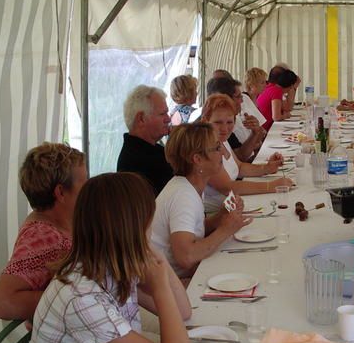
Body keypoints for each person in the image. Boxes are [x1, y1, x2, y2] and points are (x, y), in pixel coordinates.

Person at [23, 172, 194, 343]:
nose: (151, 231)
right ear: (131, 230)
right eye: (148, 224)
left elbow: (183, 312)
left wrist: (156, 257)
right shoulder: (82, 298)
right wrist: (160, 286)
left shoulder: (107, 263)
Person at [0, 143, 87, 321]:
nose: (89, 188)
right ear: (61, 192)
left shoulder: (60, 222)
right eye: (85, 182)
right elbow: (1, 303)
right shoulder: (43, 235)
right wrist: (70, 301)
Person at [150, 123, 251, 277]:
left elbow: (191, 230)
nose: (223, 153)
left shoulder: (188, 185)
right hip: (175, 283)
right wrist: (226, 229)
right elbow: (186, 257)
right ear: (198, 159)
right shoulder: (183, 196)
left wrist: (220, 217)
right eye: (217, 148)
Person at [201, 94, 293, 212]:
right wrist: (270, 186)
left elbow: (239, 167)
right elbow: (227, 187)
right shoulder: (204, 147)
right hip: (217, 214)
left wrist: (267, 168)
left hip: (233, 206)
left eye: (229, 122)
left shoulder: (220, 140)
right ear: (205, 121)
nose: (224, 128)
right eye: (218, 122)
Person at [117, 85, 173, 196]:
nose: (168, 119)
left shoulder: (150, 150)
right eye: (162, 114)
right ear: (141, 119)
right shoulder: (137, 162)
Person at [207, 76, 265, 162]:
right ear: (226, 99)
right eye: (238, 97)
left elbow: (241, 159)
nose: (242, 101)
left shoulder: (233, 118)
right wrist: (256, 134)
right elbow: (240, 157)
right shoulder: (221, 124)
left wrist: (256, 132)